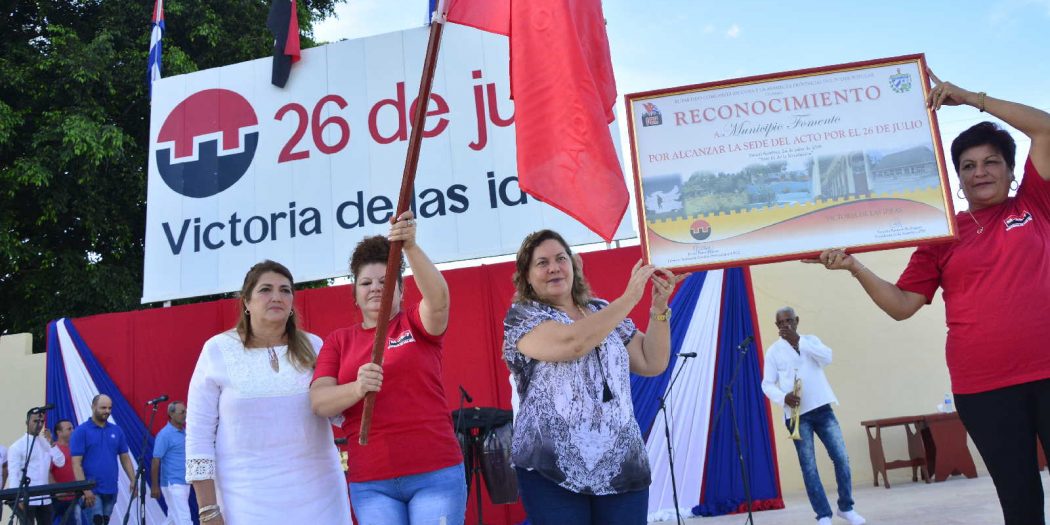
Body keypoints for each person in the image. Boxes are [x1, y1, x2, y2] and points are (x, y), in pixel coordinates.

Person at [809, 72, 1050, 524]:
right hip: (984, 388)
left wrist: (970, 98)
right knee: (1020, 502)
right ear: (956, 178)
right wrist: (855, 268)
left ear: (1012, 170)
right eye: (968, 165)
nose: (980, 172)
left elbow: (1046, 127)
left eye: (991, 162)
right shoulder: (942, 235)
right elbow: (902, 305)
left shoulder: (1034, 205)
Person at [502, 229, 679, 525]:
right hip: (551, 468)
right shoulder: (522, 316)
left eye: (561, 258)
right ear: (527, 276)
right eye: (542, 263)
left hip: (621, 466)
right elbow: (573, 344)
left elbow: (652, 361)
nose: (554, 267)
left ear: (574, 265)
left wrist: (658, 309)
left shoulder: (600, 311)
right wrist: (630, 297)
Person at [311, 211, 467, 525]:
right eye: (366, 283)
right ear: (354, 294)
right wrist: (357, 388)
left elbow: (438, 302)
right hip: (371, 482)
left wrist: (409, 246)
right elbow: (319, 402)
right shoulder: (339, 341)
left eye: (385, 281)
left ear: (400, 288)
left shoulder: (414, 323)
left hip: (434, 472)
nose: (375, 288)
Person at [185, 260, 351, 525]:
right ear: (246, 303)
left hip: (320, 496)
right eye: (265, 290)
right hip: (244, 500)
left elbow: (338, 412)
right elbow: (198, 436)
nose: (277, 297)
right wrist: (208, 511)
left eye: (285, 290)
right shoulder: (216, 350)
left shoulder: (315, 346)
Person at [760, 307, 865, 525]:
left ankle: (846, 508)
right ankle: (823, 514)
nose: (785, 325)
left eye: (789, 321)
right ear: (776, 326)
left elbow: (828, 357)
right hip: (796, 416)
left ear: (797, 321)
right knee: (809, 466)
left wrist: (799, 341)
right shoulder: (773, 352)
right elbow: (767, 384)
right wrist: (783, 397)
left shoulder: (811, 341)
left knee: (841, 458)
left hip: (822, 408)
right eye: (781, 323)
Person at [71, 394, 136, 525]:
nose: (107, 411)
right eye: (103, 408)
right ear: (93, 407)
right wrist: (86, 489)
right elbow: (76, 464)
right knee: (97, 522)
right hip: (91, 491)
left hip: (111, 489)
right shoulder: (81, 431)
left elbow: (125, 457)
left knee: (103, 522)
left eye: (109, 408)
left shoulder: (117, 430)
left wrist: (133, 480)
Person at [5, 409, 66, 525]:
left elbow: (60, 462)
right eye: (35, 421)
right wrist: (18, 499)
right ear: (27, 422)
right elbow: (14, 474)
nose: (39, 424)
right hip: (27, 498)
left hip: (45, 498)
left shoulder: (45, 443)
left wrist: (52, 443)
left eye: (42, 421)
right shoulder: (17, 446)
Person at [151, 401, 190, 525]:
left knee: (173, 519)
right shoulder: (165, 435)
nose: (185, 414)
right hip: (173, 483)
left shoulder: (185, 432)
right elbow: (155, 460)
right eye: (182, 412)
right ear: (171, 414)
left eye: (186, 411)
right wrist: (154, 486)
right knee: (184, 520)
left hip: (184, 481)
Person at [50, 419, 79, 525]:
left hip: (72, 498)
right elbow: (48, 472)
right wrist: (57, 490)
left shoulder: (76, 449)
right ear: (59, 432)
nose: (73, 430)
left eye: (73, 428)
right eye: (69, 429)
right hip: (55, 497)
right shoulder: (52, 449)